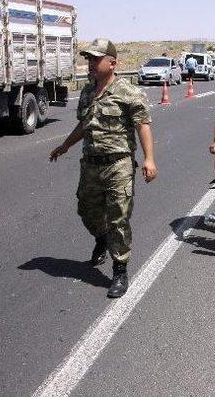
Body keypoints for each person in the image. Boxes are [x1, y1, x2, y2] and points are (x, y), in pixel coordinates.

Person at [49, 38, 158, 298]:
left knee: (118, 216)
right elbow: (84, 125)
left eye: (96, 59)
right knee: (85, 209)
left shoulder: (128, 92)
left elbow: (143, 124)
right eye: (89, 59)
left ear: (112, 63)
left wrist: (149, 159)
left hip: (118, 164)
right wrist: (65, 146)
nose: (91, 64)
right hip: (90, 164)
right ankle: (101, 237)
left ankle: (119, 270)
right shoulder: (87, 91)